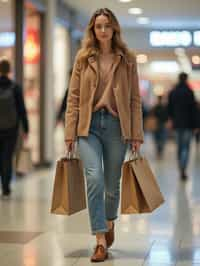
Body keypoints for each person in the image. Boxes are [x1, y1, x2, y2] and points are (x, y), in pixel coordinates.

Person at [64, 8, 143, 262]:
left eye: (107, 26)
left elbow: (134, 99)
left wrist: (136, 133)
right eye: (98, 26)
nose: (103, 30)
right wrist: (69, 132)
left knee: (112, 185)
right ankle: (99, 239)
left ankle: (109, 221)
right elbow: (73, 97)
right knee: (94, 179)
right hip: (89, 127)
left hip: (116, 126)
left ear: (114, 28)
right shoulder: (83, 58)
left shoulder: (127, 58)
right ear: (92, 29)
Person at [0, 59, 29, 198]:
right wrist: (26, 128)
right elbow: (22, 110)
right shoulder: (15, 87)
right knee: (8, 156)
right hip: (11, 128)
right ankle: (6, 187)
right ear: (9, 70)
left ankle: (2, 182)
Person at [168, 72, 197, 181]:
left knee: (179, 147)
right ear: (186, 79)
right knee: (186, 147)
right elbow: (194, 110)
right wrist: (196, 125)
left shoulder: (173, 92)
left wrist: (170, 120)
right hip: (188, 124)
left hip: (177, 124)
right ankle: (183, 168)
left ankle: (181, 167)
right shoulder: (190, 92)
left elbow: (169, 108)